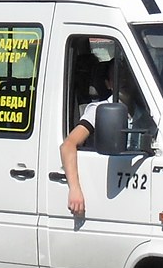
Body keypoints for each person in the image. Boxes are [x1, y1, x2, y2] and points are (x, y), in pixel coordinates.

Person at [60, 60, 139, 216]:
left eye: (127, 76)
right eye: (117, 76)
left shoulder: (145, 110)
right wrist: (74, 189)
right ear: (108, 83)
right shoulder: (99, 110)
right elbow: (68, 145)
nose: (123, 80)